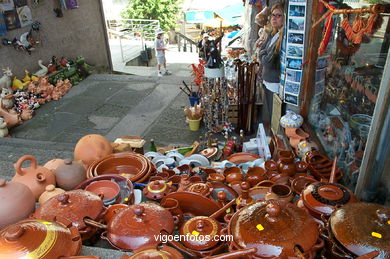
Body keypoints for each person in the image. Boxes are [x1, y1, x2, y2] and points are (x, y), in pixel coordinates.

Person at [258, 2, 284, 123]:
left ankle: (273, 139)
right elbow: (261, 50)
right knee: (269, 114)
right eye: (273, 15)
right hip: (267, 80)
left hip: (274, 83)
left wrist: (262, 54)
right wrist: (263, 54)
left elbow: (268, 62)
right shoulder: (273, 34)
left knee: (274, 117)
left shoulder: (282, 37)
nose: (274, 18)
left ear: (284, 18)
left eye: (278, 15)